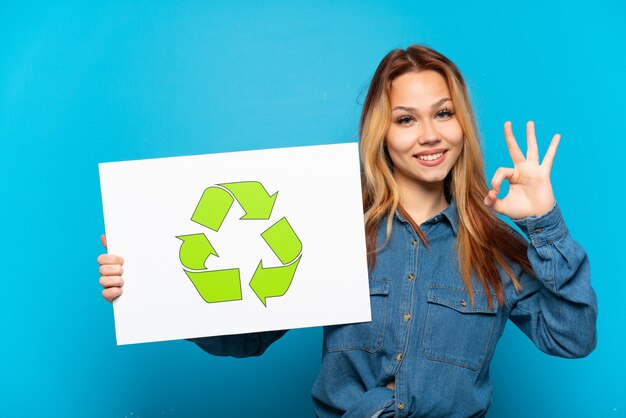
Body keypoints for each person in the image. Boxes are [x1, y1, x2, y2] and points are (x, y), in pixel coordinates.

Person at [97, 44, 597, 417]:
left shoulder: (493, 247)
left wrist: (543, 222)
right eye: (406, 119)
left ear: (461, 123)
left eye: (443, 113)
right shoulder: (332, 230)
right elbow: (246, 337)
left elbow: (573, 338)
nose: (429, 134)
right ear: (382, 133)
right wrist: (152, 282)